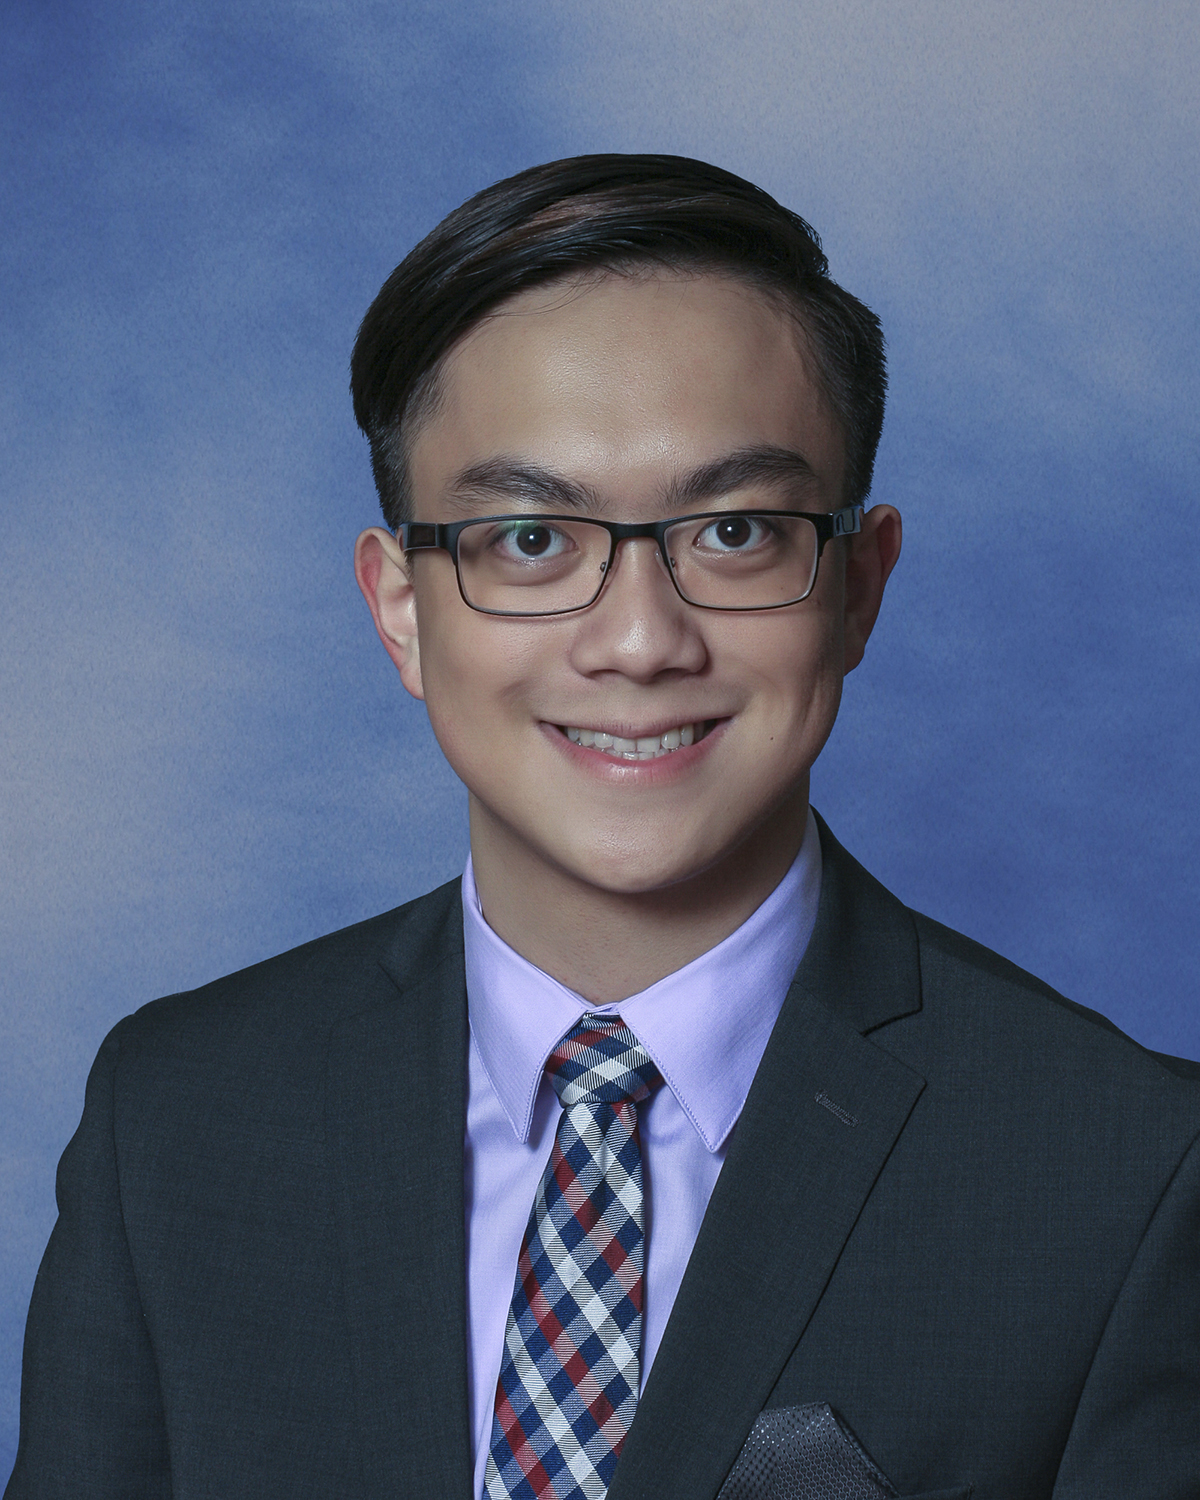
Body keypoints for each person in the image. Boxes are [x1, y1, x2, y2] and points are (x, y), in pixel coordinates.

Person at [6, 154, 1199, 1500]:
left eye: (736, 530)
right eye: (529, 540)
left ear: (858, 589)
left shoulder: (1129, 1174)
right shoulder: (180, 1118)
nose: (638, 641)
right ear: (401, 608)